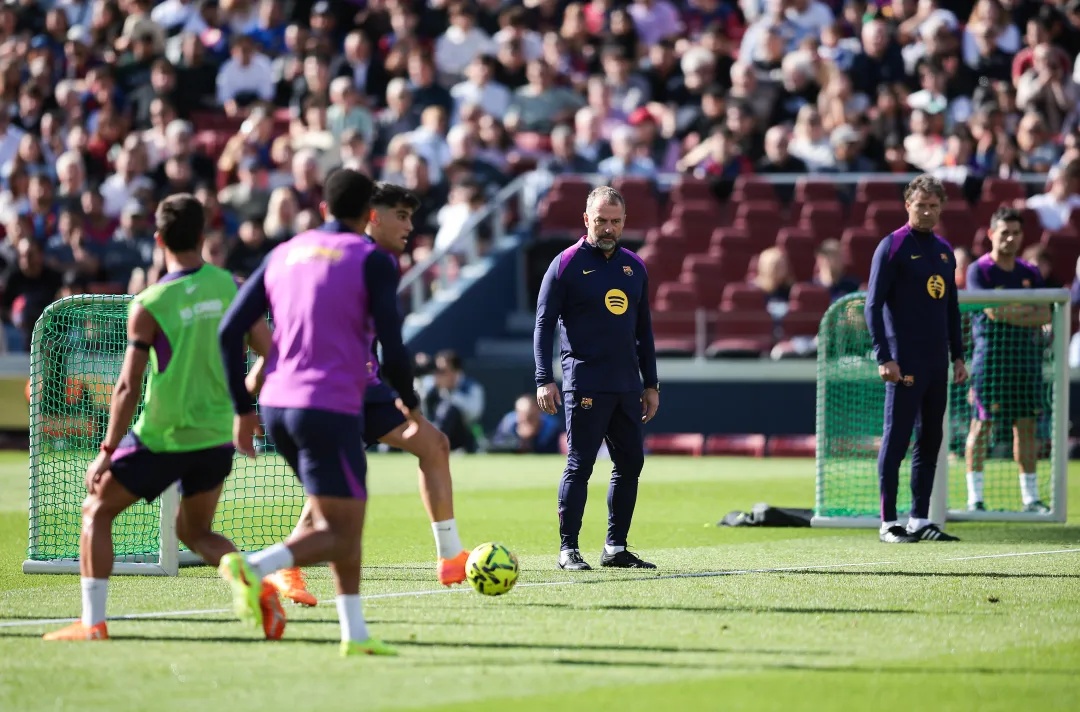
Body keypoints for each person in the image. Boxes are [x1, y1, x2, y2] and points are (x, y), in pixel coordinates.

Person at [44, 194, 282, 641]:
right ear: (202, 236)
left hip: (161, 435)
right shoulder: (231, 285)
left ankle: (92, 623)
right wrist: (245, 403)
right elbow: (273, 351)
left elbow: (127, 388)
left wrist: (107, 451)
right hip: (216, 437)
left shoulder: (151, 301)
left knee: (96, 510)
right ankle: (254, 582)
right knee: (196, 532)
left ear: (158, 240)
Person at [218, 168, 418, 657]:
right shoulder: (372, 258)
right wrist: (409, 398)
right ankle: (255, 567)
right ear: (369, 213)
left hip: (277, 405)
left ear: (323, 207)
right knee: (341, 530)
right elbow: (391, 341)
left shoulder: (283, 252)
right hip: (327, 405)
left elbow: (229, 331)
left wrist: (243, 409)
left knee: (341, 522)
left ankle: (356, 634)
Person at [246, 182, 469, 607]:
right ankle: (283, 569)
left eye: (411, 216)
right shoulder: (359, 258)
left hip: (365, 388)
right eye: (400, 216)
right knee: (333, 501)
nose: (409, 226)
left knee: (433, 446)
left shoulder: (376, 258)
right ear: (373, 215)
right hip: (340, 392)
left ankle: (449, 557)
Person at [533, 186, 659, 571]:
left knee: (630, 465)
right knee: (580, 465)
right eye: (601, 220)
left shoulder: (635, 266)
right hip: (584, 382)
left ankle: (615, 548)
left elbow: (645, 332)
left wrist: (651, 383)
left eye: (615, 221)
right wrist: (544, 378)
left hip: (627, 385)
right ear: (586, 220)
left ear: (624, 223)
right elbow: (543, 325)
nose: (608, 228)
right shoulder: (565, 264)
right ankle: (568, 550)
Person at [865, 174, 968, 544]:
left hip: (935, 362)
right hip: (903, 361)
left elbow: (951, 309)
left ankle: (919, 519)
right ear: (908, 204)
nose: (927, 211)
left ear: (941, 208)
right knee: (897, 439)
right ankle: (888, 523)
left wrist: (958, 356)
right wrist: (884, 356)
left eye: (933, 205)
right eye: (920, 204)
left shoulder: (944, 251)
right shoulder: (891, 246)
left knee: (931, 439)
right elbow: (872, 306)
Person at [965, 207, 1051, 513]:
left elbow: (1045, 313)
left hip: (1026, 360)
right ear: (991, 234)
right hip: (990, 361)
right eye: (1004, 232)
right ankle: (974, 498)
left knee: (1026, 426)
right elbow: (992, 311)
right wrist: (1023, 312)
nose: (1010, 238)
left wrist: (1011, 310)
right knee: (982, 426)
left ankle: (1030, 498)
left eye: (1015, 232)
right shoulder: (979, 271)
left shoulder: (1029, 272)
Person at [418, 349, 485, 452]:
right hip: (431, 432)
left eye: (442, 371)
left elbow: (474, 414)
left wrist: (449, 394)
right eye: (436, 370)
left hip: (463, 440)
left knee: (448, 409)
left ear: (456, 372)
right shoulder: (429, 386)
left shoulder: (471, 387)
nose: (437, 375)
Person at [490, 394, 563, 454]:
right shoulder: (508, 424)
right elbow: (498, 446)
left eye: (530, 415)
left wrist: (530, 440)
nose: (525, 418)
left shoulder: (551, 426)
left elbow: (553, 450)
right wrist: (517, 442)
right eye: (521, 414)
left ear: (538, 411)